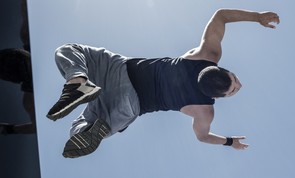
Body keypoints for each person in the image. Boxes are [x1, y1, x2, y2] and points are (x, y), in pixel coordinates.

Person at [47, 8, 280, 158]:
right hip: (129, 105)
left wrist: (257, 17)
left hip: (118, 69)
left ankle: (78, 81)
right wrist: (230, 142)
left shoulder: (207, 53)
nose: (240, 86)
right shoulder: (205, 112)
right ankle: (91, 126)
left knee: (69, 50)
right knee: (83, 129)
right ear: (217, 97)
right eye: (235, 85)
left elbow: (221, 16)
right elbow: (202, 137)